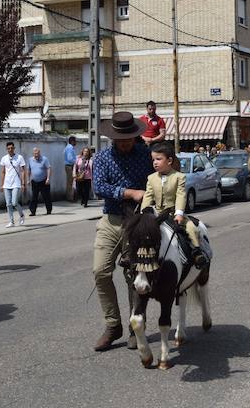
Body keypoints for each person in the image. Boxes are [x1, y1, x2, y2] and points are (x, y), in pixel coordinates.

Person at [91, 112, 154, 352]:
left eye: (130, 138)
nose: (126, 142)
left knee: (135, 277)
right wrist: (129, 192)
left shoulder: (145, 155)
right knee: (100, 271)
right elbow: (99, 187)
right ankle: (112, 325)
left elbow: (156, 179)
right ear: (113, 137)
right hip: (111, 219)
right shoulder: (103, 157)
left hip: (138, 221)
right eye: (122, 139)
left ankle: (135, 327)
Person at [140, 142, 207, 267]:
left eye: (159, 159)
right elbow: (148, 196)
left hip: (173, 214)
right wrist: (143, 213)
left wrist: (179, 213)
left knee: (191, 228)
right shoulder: (151, 178)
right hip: (157, 214)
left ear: (169, 160)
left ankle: (197, 252)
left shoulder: (179, 177)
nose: (155, 162)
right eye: (153, 159)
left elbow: (181, 195)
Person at [0, 142, 26, 227]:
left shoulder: (19, 157)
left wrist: (23, 183)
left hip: (16, 183)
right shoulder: (4, 158)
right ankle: (11, 221)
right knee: (8, 204)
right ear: (6, 149)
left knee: (14, 202)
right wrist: (2, 184)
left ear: (14, 148)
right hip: (7, 184)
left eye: (12, 148)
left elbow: (22, 171)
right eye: (8, 148)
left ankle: (21, 215)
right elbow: (3, 172)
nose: (10, 150)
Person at [27, 147, 52, 216]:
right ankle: (33, 211)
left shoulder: (44, 159)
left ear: (39, 153)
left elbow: (48, 168)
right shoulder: (30, 160)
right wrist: (28, 179)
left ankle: (49, 210)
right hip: (34, 181)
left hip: (44, 181)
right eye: (35, 153)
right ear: (33, 153)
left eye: (37, 153)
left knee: (46, 196)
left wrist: (48, 178)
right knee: (34, 197)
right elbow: (29, 170)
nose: (36, 155)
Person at [64, 136, 78, 202]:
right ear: (72, 141)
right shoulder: (70, 148)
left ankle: (70, 196)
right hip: (70, 166)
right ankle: (70, 197)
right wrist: (76, 162)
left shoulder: (68, 147)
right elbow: (70, 159)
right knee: (70, 182)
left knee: (70, 182)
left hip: (69, 166)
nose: (76, 142)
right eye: (75, 141)